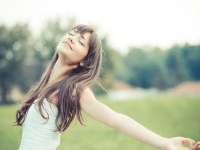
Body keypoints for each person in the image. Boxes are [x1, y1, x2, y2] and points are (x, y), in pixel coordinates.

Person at [15, 24, 200, 150]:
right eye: (71, 34)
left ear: (84, 61)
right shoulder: (46, 85)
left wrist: (165, 143)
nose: (72, 39)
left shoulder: (73, 90)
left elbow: (115, 119)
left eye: (80, 42)